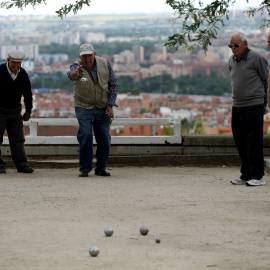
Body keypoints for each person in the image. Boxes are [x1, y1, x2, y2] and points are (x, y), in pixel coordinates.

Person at [67, 44, 118, 177]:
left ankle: (101, 168)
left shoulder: (105, 64)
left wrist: (110, 104)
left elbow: (113, 84)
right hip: (83, 106)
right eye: (84, 56)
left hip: (102, 105)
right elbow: (71, 75)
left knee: (104, 138)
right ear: (80, 56)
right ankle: (85, 168)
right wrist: (76, 73)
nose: (87, 59)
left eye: (89, 55)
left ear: (94, 54)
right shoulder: (76, 66)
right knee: (86, 135)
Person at [228, 32, 269, 186]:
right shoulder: (231, 60)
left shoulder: (256, 58)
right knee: (240, 140)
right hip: (237, 105)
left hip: (253, 104)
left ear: (245, 44)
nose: (233, 48)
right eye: (230, 45)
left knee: (254, 141)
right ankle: (246, 174)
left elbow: (266, 81)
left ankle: (258, 176)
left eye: (236, 45)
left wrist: (264, 104)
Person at [0, 50, 34, 174]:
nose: (16, 65)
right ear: (8, 60)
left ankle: (21, 164)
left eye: (18, 63)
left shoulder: (23, 74)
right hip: (0, 109)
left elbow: (27, 94)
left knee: (18, 138)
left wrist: (28, 110)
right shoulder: (0, 71)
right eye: (14, 62)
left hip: (15, 110)